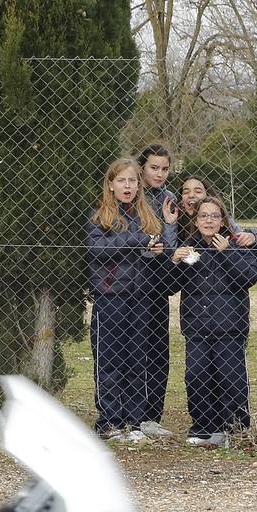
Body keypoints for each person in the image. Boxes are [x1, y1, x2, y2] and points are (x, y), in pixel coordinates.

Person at [85, 157, 176, 443]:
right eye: (122, 180)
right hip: (111, 296)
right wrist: (135, 241)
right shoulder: (100, 216)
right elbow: (97, 250)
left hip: (141, 297)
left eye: (133, 181)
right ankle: (110, 420)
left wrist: (157, 250)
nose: (128, 186)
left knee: (139, 359)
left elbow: (156, 249)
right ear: (110, 184)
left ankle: (134, 421)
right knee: (109, 359)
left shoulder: (147, 216)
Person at [170, 195, 257, 448]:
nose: (208, 220)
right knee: (197, 375)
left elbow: (249, 277)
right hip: (197, 326)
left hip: (230, 326)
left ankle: (234, 427)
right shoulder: (189, 247)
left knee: (230, 378)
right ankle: (203, 426)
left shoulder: (236, 244)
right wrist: (175, 262)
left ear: (223, 220)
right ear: (196, 220)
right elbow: (171, 286)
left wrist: (227, 253)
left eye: (214, 216)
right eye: (203, 216)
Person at [135, 144, 180, 437]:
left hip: (158, 282)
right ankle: (131, 413)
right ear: (142, 168)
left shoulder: (169, 198)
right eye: (154, 167)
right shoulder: (131, 195)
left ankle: (153, 415)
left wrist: (167, 225)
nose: (160, 174)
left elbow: (170, 245)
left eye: (164, 169)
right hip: (132, 280)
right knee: (134, 349)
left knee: (157, 349)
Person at [176, 175, 211, 243]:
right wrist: (171, 224)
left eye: (198, 191)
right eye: (186, 192)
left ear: (209, 197)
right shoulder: (176, 224)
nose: (191, 195)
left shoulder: (220, 220)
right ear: (182, 202)